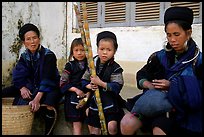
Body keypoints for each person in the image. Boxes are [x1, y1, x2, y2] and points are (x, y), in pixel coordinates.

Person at [120, 6, 202, 136]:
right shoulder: (160, 56)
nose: (172, 40)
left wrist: (173, 86)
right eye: (169, 35)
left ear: (189, 33)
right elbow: (142, 74)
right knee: (126, 123)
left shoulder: (198, 61)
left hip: (180, 111)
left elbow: (198, 92)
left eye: (177, 34)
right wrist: (147, 84)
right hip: (155, 105)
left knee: (159, 129)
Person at [2, 23, 62, 135]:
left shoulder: (49, 55)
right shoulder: (24, 56)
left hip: (49, 87)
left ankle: (49, 132)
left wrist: (37, 99)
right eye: (28, 39)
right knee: (5, 92)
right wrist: (22, 87)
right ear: (24, 43)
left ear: (39, 39)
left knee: (51, 101)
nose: (32, 42)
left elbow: (47, 78)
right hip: (31, 86)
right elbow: (18, 74)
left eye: (34, 38)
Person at [81, 31, 125, 135]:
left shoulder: (115, 68)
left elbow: (117, 86)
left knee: (112, 127)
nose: (104, 52)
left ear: (114, 51)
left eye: (108, 50)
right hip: (95, 103)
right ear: (97, 49)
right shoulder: (92, 64)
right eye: (101, 49)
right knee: (94, 130)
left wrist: (101, 83)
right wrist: (89, 85)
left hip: (110, 104)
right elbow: (83, 80)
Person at [59, 38, 91, 135]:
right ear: (72, 52)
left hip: (88, 94)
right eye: (76, 50)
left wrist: (87, 94)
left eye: (82, 50)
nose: (79, 53)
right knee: (77, 122)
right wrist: (76, 90)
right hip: (73, 96)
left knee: (91, 118)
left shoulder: (90, 65)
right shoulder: (69, 65)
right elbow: (63, 83)